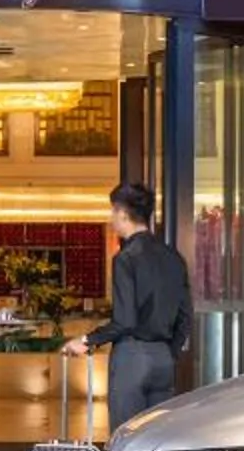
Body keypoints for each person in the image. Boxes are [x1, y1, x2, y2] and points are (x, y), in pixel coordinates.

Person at [64, 180, 190, 427]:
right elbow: (185, 316)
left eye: (112, 211)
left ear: (122, 213)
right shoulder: (174, 257)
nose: (111, 218)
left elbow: (125, 320)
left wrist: (87, 341)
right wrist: (168, 352)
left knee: (127, 440)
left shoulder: (126, 258)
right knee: (158, 440)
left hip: (132, 358)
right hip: (164, 358)